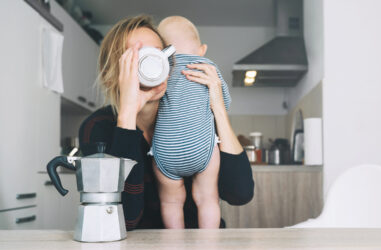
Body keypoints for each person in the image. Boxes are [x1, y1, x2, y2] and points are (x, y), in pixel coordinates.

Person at [79, 15, 254, 230]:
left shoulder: (192, 113)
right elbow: (124, 220)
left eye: (159, 53)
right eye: (138, 56)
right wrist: (127, 115)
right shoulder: (97, 128)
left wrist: (217, 107)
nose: (153, 63)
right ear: (112, 74)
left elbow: (240, 194)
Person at [149, 16, 231, 229]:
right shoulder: (207, 67)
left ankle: (175, 242)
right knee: (208, 199)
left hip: (167, 150)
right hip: (201, 148)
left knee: (171, 202)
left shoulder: (161, 69)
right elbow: (224, 103)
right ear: (202, 48)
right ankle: (208, 242)